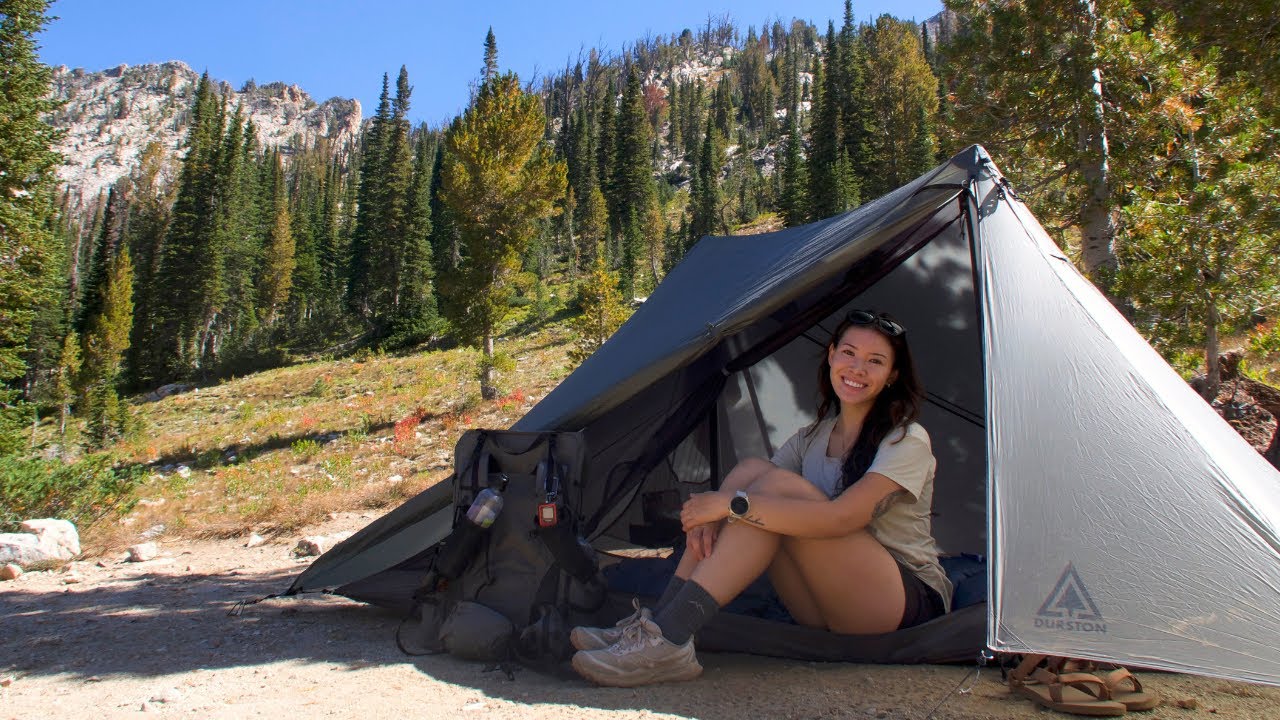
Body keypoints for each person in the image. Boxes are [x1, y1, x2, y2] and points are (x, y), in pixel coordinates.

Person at [570, 309, 952, 687]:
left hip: (899, 604)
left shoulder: (905, 440)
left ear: (892, 376)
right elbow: (753, 476)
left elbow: (841, 519)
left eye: (875, 361)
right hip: (828, 605)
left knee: (767, 494)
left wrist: (728, 505)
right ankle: (659, 626)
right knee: (754, 473)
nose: (857, 368)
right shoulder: (814, 437)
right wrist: (715, 513)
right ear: (832, 355)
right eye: (849, 353)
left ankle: (668, 638)